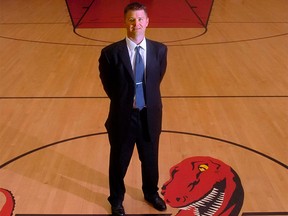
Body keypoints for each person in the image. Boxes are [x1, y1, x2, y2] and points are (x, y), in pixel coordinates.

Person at [98, 2, 167, 216]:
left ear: (147, 21)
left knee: (150, 159)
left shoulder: (160, 50)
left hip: (150, 116)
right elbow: (109, 85)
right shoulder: (110, 53)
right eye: (131, 19)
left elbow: (157, 79)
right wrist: (126, 102)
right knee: (118, 162)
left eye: (139, 19)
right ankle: (116, 199)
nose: (135, 23)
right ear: (124, 22)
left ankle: (151, 193)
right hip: (123, 118)